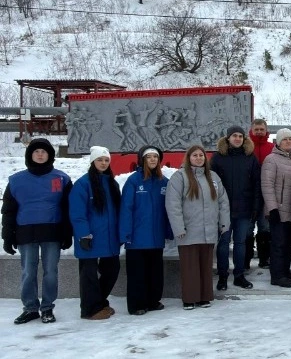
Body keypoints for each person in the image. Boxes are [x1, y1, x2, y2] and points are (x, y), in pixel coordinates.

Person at [2, 138, 72, 325]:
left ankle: (47, 308)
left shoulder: (62, 179)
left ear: (50, 155)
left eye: (44, 151)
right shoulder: (16, 181)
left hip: (52, 232)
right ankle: (30, 308)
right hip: (26, 233)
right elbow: (8, 211)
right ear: (30, 155)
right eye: (36, 151)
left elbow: (68, 209)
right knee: (28, 272)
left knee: (51, 272)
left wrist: (67, 233)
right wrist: (7, 237)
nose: (40, 154)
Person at [166, 145, 230, 310]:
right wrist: (179, 227)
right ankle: (189, 298)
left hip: (209, 230)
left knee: (205, 266)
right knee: (190, 267)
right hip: (188, 231)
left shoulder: (213, 177)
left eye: (201, 155)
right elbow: (173, 204)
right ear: (188, 158)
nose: (198, 158)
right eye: (195, 155)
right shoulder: (179, 177)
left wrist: (224, 223)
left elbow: (223, 201)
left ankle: (204, 297)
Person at [69, 146, 122, 320]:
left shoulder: (112, 183)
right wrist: (84, 235)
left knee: (112, 270)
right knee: (89, 275)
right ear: (93, 161)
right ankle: (89, 309)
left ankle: (99, 302)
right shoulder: (83, 184)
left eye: (106, 160)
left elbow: (118, 210)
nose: (103, 163)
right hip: (90, 237)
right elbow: (77, 213)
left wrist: (120, 233)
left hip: (109, 237)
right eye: (100, 160)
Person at [119, 146, 171, 316]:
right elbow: (126, 208)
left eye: (155, 157)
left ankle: (153, 301)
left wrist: (169, 231)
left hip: (156, 236)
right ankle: (136, 304)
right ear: (142, 160)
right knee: (137, 273)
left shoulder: (164, 182)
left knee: (155, 272)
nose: (153, 159)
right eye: (149, 157)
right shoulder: (133, 181)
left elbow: (168, 209)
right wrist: (125, 233)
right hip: (137, 237)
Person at [211, 126, 261, 291]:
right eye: (234, 136)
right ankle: (222, 276)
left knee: (240, 243)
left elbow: (257, 184)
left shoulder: (250, 158)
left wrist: (256, 206)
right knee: (224, 243)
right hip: (223, 209)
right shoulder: (218, 158)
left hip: (244, 208)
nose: (237, 139)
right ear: (228, 138)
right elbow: (211, 184)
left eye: (240, 136)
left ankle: (239, 275)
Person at [261, 128, 291, 287]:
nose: (288, 141)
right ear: (278, 142)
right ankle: (277, 276)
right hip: (278, 210)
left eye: (290, 139)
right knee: (279, 244)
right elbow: (267, 185)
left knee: (290, 243)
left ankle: (285, 271)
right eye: (284, 139)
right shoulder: (271, 160)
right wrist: (272, 208)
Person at [248, 119, 274, 269]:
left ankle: (264, 258)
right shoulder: (246, 147)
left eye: (261, 129)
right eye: (256, 129)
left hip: (266, 194)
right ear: (252, 131)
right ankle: (246, 259)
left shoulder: (272, 148)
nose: (259, 132)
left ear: (266, 131)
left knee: (265, 227)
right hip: (249, 194)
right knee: (248, 228)